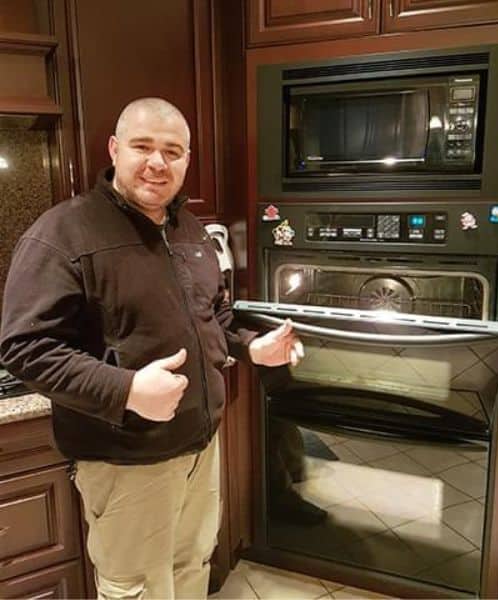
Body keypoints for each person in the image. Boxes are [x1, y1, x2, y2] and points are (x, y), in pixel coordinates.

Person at [0, 98, 304, 600]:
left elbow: (213, 315)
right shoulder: (62, 232)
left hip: (200, 447)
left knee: (191, 568)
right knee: (138, 590)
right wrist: (127, 390)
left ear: (187, 160)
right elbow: (25, 347)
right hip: (127, 461)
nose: (157, 163)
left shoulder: (190, 229)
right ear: (115, 149)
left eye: (172, 151)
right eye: (142, 147)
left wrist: (252, 347)